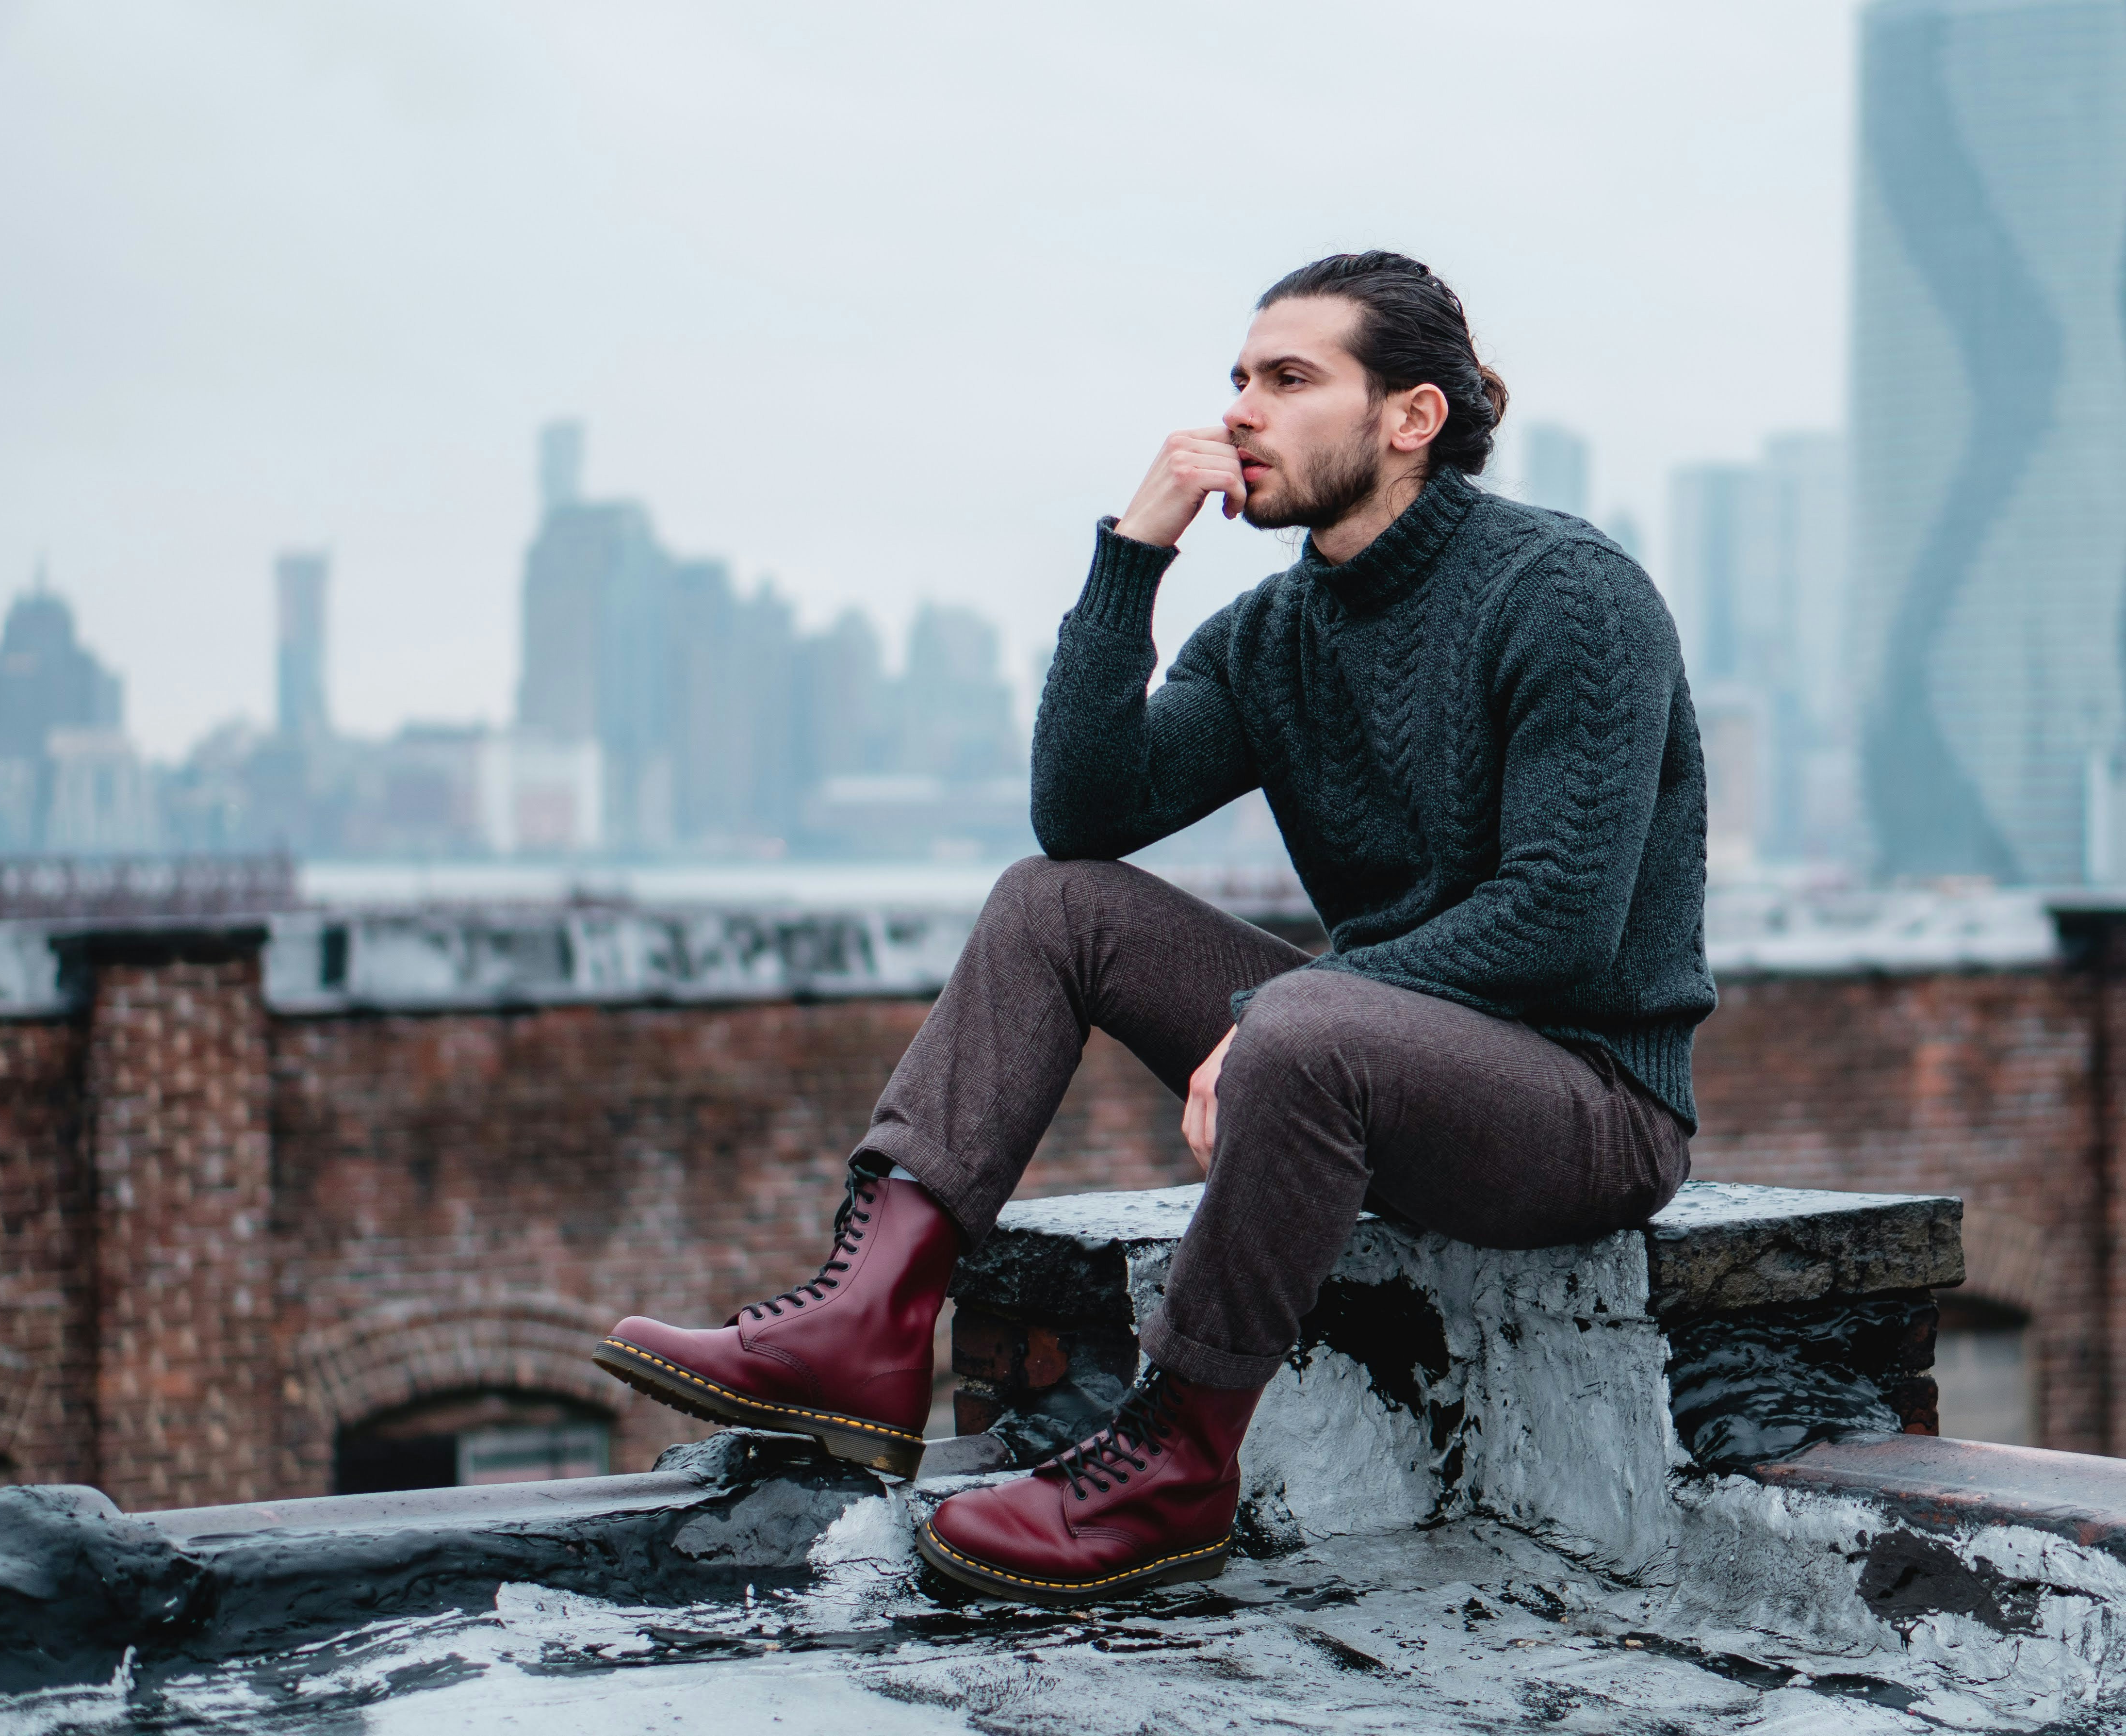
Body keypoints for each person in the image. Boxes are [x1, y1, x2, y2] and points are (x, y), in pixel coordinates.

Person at [596, 250, 1714, 1604]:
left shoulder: (1569, 596)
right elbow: (1084, 811)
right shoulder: (1275, 634)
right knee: (1051, 905)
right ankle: (869, 1322)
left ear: (1411, 418)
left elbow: (1559, 928)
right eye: (1238, 377)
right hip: (1371, 1063)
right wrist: (1134, 556)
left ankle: (1178, 1461)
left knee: (1304, 1022)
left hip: (1584, 1109)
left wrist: (1274, 1022)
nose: (1241, 408)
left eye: (1290, 379)